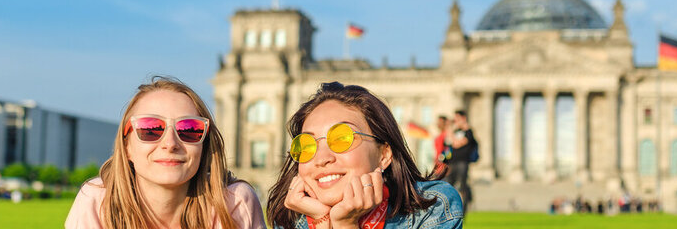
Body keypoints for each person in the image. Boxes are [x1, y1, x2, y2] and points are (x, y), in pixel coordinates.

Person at [65, 77, 265, 229]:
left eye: (190, 129)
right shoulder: (97, 200)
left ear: (204, 147)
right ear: (127, 147)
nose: (170, 144)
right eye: (150, 129)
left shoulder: (234, 202)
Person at [265, 82, 464, 228]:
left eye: (342, 139)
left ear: (384, 154)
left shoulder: (432, 207)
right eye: (306, 145)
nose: (322, 158)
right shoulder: (290, 217)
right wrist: (321, 221)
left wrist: (346, 224)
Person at [443, 110, 477, 213]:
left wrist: (452, 136)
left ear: (463, 118)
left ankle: (463, 210)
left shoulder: (469, 132)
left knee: (462, 186)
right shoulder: (455, 131)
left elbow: (458, 143)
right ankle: (449, 209)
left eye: (457, 119)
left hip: (463, 162)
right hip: (452, 162)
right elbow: (448, 143)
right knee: (448, 185)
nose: (455, 121)